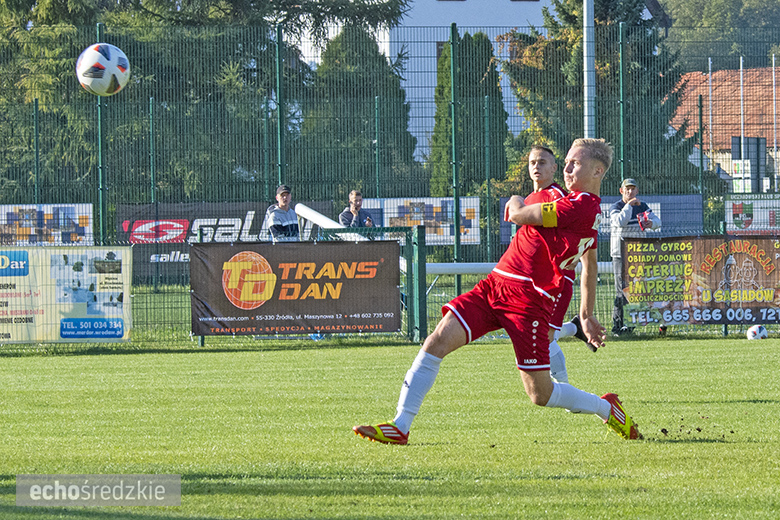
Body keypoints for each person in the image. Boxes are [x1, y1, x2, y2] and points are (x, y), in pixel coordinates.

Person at [353, 138, 642, 445]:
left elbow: (518, 215)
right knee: (436, 340)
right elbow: (591, 263)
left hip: (526, 303)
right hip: (494, 287)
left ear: (598, 171)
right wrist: (585, 315)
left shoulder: (576, 204)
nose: (568, 168)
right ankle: (400, 425)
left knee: (540, 394)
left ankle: (606, 407)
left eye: (576, 163)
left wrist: (516, 198)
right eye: (568, 161)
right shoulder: (578, 208)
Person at [522, 145, 591, 384]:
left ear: (554, 168)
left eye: (542, 162)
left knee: (545, 336)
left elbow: (576, 236)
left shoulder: (557, 197)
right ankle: (574, 328)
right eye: (532, 162)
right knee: (535, 331)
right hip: (535, 281)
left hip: (557, 281)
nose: (536, 167)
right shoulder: (530, 199)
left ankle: (564, 388)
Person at [609, 178, 661, 335]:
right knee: (621, 291)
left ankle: (634, 322)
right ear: (621, 191)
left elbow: (658, 221)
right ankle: (617, 326)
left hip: (638, 256)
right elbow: (620, 222)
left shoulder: (643, 206)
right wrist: (629, 205)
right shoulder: (617, 207)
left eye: (633, 189)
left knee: (638, 289)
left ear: (637, 191)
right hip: (620, 255)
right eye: (627, 189)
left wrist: (652, 224)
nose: (630, 192)